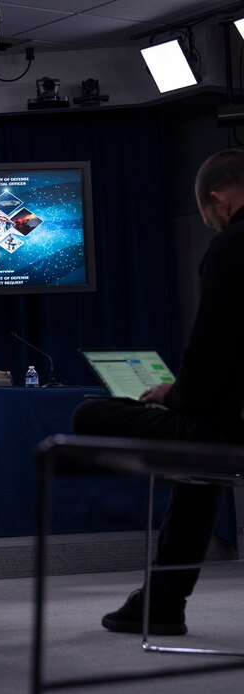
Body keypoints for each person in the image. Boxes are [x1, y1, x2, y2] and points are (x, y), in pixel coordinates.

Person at [72, 149, 244, 636]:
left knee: (90, 417)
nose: (211, 225)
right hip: (224, 424)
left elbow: (212, 356)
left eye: (209, 217)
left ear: (219, 201)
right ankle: (163, 601)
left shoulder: (232, 246)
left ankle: (164, 600)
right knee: (199, 459)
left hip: (224, 425)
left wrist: (172, 394)